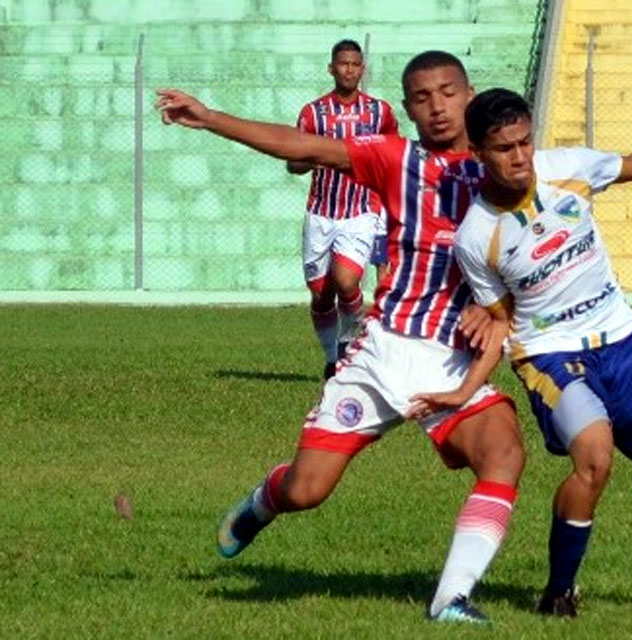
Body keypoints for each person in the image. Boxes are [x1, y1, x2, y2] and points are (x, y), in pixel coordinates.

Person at [156, 51, 525, 625]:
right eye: (423, 98)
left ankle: (450, 599)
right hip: (383, 352)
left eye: (449, 92)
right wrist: (212, 119)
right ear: (405, 110)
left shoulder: (509, 170)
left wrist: (495, 307)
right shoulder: (394, 158)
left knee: (503, 453)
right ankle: (264, 500)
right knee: (307, 492)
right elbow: (304, 147)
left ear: (470, 93)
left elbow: (542, 253)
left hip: (452, 360)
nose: (438, 107)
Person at [415, 88, 632, 617]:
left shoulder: (569, 168)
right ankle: (558, 592)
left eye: (523, 142)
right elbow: (501, 322)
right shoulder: (477, 236)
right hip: (548, 355)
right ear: (478, 153)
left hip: (622, 336)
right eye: (503, 148)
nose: (519, 157)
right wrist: (466, 385)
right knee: (595, 455)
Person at [287, 39, 399, 379]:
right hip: (321, 213)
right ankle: (331, 357)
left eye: (354, 64)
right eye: (343, 64)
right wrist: (313, 159)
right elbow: (293, 162)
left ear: (362, 69)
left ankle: (350, 342)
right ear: (331, 68)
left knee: (348, 282)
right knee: (321, 296)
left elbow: (392, 155)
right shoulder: (313, 113)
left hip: (361, 212)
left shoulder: (380, 112)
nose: (348, 69)